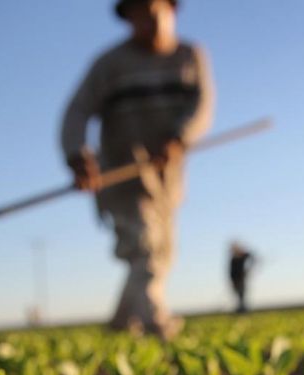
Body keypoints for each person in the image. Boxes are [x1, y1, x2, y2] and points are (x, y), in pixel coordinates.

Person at [61, 0, 214, 340]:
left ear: (172, 11)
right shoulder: (110, 64)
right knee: (144, 248)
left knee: (162, 252)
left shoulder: (190, 56)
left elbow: (202, 105)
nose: (149, 21)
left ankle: (120, 323)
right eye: (139, 14)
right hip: (122, 174)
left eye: (154, 11)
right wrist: (76, 155)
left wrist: (180, 137)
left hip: (167, 178)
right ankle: (157, 324)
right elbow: (77, 111)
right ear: (128, 19)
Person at [229, 242, 255, 313]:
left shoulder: (243, 256)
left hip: (241, 279)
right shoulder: (233, 259)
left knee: (242, 294)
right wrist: (232, 281)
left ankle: (243, 309)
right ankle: (240, 308)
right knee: (238, 295)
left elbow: (252, 257)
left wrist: (249, 269)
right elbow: (231, 272)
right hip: (235, 280)